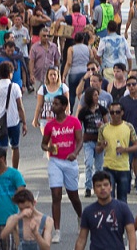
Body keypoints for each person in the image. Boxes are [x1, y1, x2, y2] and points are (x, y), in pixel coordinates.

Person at [41, 94, 83, 244]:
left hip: (70, 163)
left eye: (57, 104)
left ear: (64, 107)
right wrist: (49, 147)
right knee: (56, 195)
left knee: (73, 196)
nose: (53, 106)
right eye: (53, 103)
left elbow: (80, 140)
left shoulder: (74, 121)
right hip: (55, 162)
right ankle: (57, 230)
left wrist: (75, 152)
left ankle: (80, 217)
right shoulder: (50, 125)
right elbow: (43, 144)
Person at [75, 171, 136, 250]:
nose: (102, 188)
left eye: (106, 185)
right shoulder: (88, 211)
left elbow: (131, 234)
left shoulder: (123, 208)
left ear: (111, 187)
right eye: (98, 186)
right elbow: (81, 239)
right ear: (94, 189)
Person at [96, 102, 137, 203]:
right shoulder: (103, 128)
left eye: (117, 112)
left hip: (123, 167)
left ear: (122, 113)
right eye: (112, 112)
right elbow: (98, 149)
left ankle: (122, 218)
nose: (114, 115)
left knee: (122, 199)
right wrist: (102, 146)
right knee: (108, 198)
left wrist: (125, 149)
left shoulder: (128, 127)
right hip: (108, 167)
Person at [0, 61, 28, 169]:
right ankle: (15, 170)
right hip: (13, 121)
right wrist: (24, 122)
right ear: (10, 73)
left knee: (2, 149)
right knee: (15, 147)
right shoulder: (15, 87)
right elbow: (20, 106)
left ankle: (3, 169)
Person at [77, 87, 109, 198]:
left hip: (99, 141)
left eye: (97, 95)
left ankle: (98, 187)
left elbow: (108, 125)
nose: (97, 97)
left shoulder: (102, 110)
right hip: (88, 141)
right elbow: (78, 126)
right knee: (89, 164)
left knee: (99, 167)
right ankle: (88, 187)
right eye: (95, 95)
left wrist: (103, 126)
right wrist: (78, 139)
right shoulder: (84, 111)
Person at [32, 68, 69, 135]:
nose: (53, 77)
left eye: (55, 74)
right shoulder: (43, 88)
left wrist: (67, 114)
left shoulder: (63, 88)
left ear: (58, 76)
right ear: (47, 76)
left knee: (57, 140)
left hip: (59, 118)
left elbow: (67, 103)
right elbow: (39, 105)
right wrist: (35, 118)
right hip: (45, 118)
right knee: (48, 140)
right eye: (51, 75)